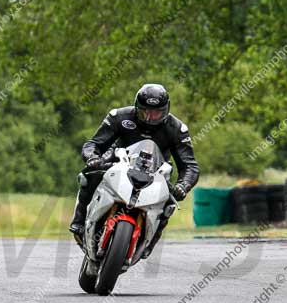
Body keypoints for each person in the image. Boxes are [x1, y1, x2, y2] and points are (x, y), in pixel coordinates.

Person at [69, 83, 200, 253]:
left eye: (156, 113)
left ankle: (149, 243)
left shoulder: (177, 129)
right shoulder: (119, 116)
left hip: (156, 171)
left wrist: (183, 185)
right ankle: (79, 221)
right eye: (145, 111)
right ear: (137, 107)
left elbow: (190, 165)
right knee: (89, 174)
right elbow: (94, 143)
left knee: (169, 203)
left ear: (166, 110)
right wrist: (92, 157)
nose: (150, 117)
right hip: (119, 161)